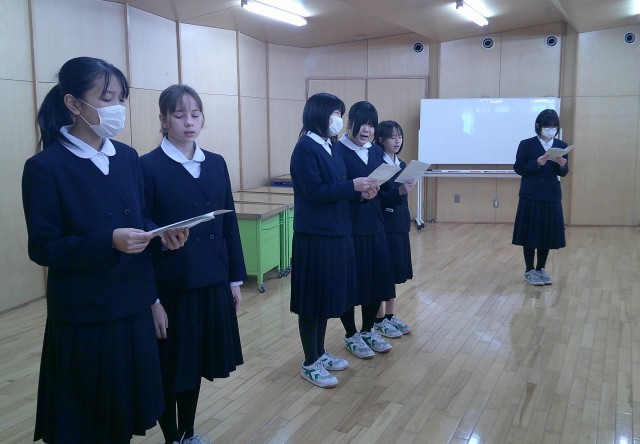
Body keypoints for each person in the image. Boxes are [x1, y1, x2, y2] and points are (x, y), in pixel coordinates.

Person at [22, 56, 188, 444]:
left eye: (121, 99)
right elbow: (44, 247)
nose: (117, 108)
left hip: (132, 306)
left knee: (122, 415)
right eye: (107, 98)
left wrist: (161, 237)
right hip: (86, 316)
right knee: (88, 422)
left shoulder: (127, 157)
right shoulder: (46, 167)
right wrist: (108, 241)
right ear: (73, 103)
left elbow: (140, 219)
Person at [140, 84, 246, 443]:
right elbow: (143, 226)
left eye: (195, 114)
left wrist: (234, 280)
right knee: (171, 366)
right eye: (179, 114)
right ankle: (172, 437)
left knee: (195, 363)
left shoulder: (215, 163)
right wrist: (152, 298)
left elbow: (229, 225)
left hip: (212, 280)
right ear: (163, 120)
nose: (189, 122)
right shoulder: (147, 167)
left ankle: (187, 432)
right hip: (172, 285)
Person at [289, 93, 378, 388]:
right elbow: (314, 192)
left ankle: (319, 352)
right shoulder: (305, 148)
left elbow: (338, 189)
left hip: (338, 233)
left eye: (340, 114)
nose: (338, 120)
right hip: (314, 236)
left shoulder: (331, 146)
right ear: (318, 114)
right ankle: (309, 362)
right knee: (311, 301)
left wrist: (360, 194)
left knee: (326, 297)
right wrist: (352, 186)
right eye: (335, 114)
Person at [335, 101, 396, 358]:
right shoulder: (337, 151)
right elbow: (336, 190)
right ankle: (351, 334)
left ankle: (369, 329)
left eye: (371, 125)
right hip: (349, 228)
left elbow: (384, 189)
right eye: (362, 124)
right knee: (350, 284)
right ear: (350, 124)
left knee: (376, 280)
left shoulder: (375, 152)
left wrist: (397, 189)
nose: (367, 130)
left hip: (375, 226)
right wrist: (358, 195)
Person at [512, 109, 569, 286]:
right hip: (531, 195)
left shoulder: (561, 145)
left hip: (551, 195)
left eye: (554, 126)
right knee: (530, 232)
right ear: (539, 126)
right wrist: (536, 163)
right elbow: (519, 168)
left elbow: (563, 173)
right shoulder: (527, 144)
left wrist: (562, 165)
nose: (551, 129)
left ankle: (541, 268)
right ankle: (529, 270)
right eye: (547, 126)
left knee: (546, 233)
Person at [374, 120, 415, 337]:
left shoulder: (401, 163)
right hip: (384, 225)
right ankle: (379, 319)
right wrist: (397, 192)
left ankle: (390, 315)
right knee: (384, 273)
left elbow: (402, 197)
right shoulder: (378, 164)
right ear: (381, 139)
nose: (397, 141)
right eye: (392, 137)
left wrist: (405, 189)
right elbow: (377, 197)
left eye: (400, 136)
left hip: (399, 223)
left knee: (396, 271)